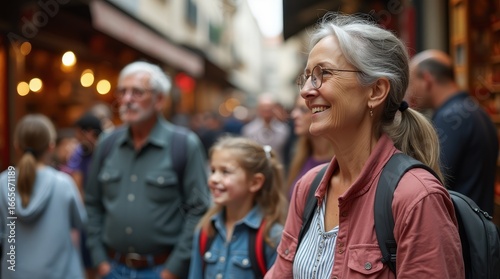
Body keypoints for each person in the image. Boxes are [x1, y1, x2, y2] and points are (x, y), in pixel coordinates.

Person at [265, 13, 464, 278]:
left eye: (322, 74)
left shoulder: (416, 198)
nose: (306, 91)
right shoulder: (308, 187)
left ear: (376, 91)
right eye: (307, 77)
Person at [85, 61, 211, 279]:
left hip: (160, 270)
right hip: (112, 268)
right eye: (122, 92)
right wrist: (99, 260)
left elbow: (199, 209)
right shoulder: (107, 144)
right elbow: (92, 203)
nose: (126, 100)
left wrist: (173, 269)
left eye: (137, 92)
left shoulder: (184, 145)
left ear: (159, 99)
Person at [408, 49, 499, 216]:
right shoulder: (476, 110)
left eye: (412, 81)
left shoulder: (450, 119)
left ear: (427, 79)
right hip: (479, 226)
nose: (411, 90)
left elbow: (433, 182)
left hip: (463, 231)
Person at [0, 114, 87, 279]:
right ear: (51, 146)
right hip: (60, 273)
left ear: (16, 146)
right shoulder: (63, 184)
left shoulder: (4, 182)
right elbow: (81, 222)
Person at [188, 136, 287, 279]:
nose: (213, 179)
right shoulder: (206, 230)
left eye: (225, 171)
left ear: (255, 182)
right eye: (213, 170)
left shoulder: (272, 237)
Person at [65, 112, 103, 279]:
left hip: (105, 214)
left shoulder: (107, 149)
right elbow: (76, 183)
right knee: (88, 264)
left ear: (89, 133)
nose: (76, 138)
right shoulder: (80, 152)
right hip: (89, 213)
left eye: (78, 133)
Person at [286, 95, 335, 199]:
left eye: (303, 110)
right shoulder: (301, 154)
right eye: (295, 108)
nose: (294, 115)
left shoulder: (338, 162)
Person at [242, 94, 291, 164]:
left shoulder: (284, 130)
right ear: (258, 109)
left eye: (269, 108)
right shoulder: (248, 130)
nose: (266, 110)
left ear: (274, 109)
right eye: (263, 108)